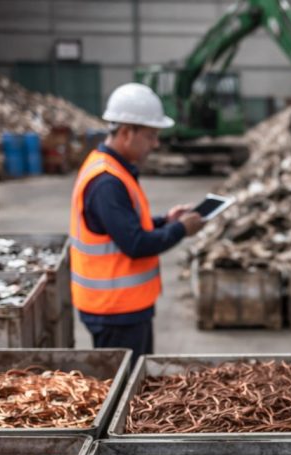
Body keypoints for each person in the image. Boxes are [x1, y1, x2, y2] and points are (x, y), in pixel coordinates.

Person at [69, 82, 205, 358]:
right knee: (126, 390)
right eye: (151, 136)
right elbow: (135, 243)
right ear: (127, 132)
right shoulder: (107, 182)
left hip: (122, 309)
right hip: (116, 312)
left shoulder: (113, 169)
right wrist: (181, 229)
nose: (155, 144)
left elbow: (124, 226)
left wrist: (164, 221)